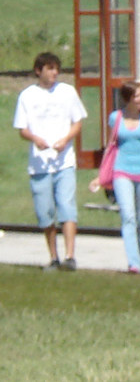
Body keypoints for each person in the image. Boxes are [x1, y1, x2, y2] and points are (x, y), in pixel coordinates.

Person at [14, 52, 87, 271]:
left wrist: (66, 139)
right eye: (50, 69)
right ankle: (53, 257)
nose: (54, 73)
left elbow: (77, 122)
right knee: (45, 212)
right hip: (40, 163)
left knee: (67, 206)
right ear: (39, 71)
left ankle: (70, 256)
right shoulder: (28, 96)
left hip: (64, 161)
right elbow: (22, 128)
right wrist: (35, 139)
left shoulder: (67, 92)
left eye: (56, 69)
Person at [89, 82, 140, 273]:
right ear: (128, 99)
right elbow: (111, 147)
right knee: (128, 216)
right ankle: (133, 263)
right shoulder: (115, 118)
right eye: (137, 96)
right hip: (121, 171)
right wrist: (100, 177)